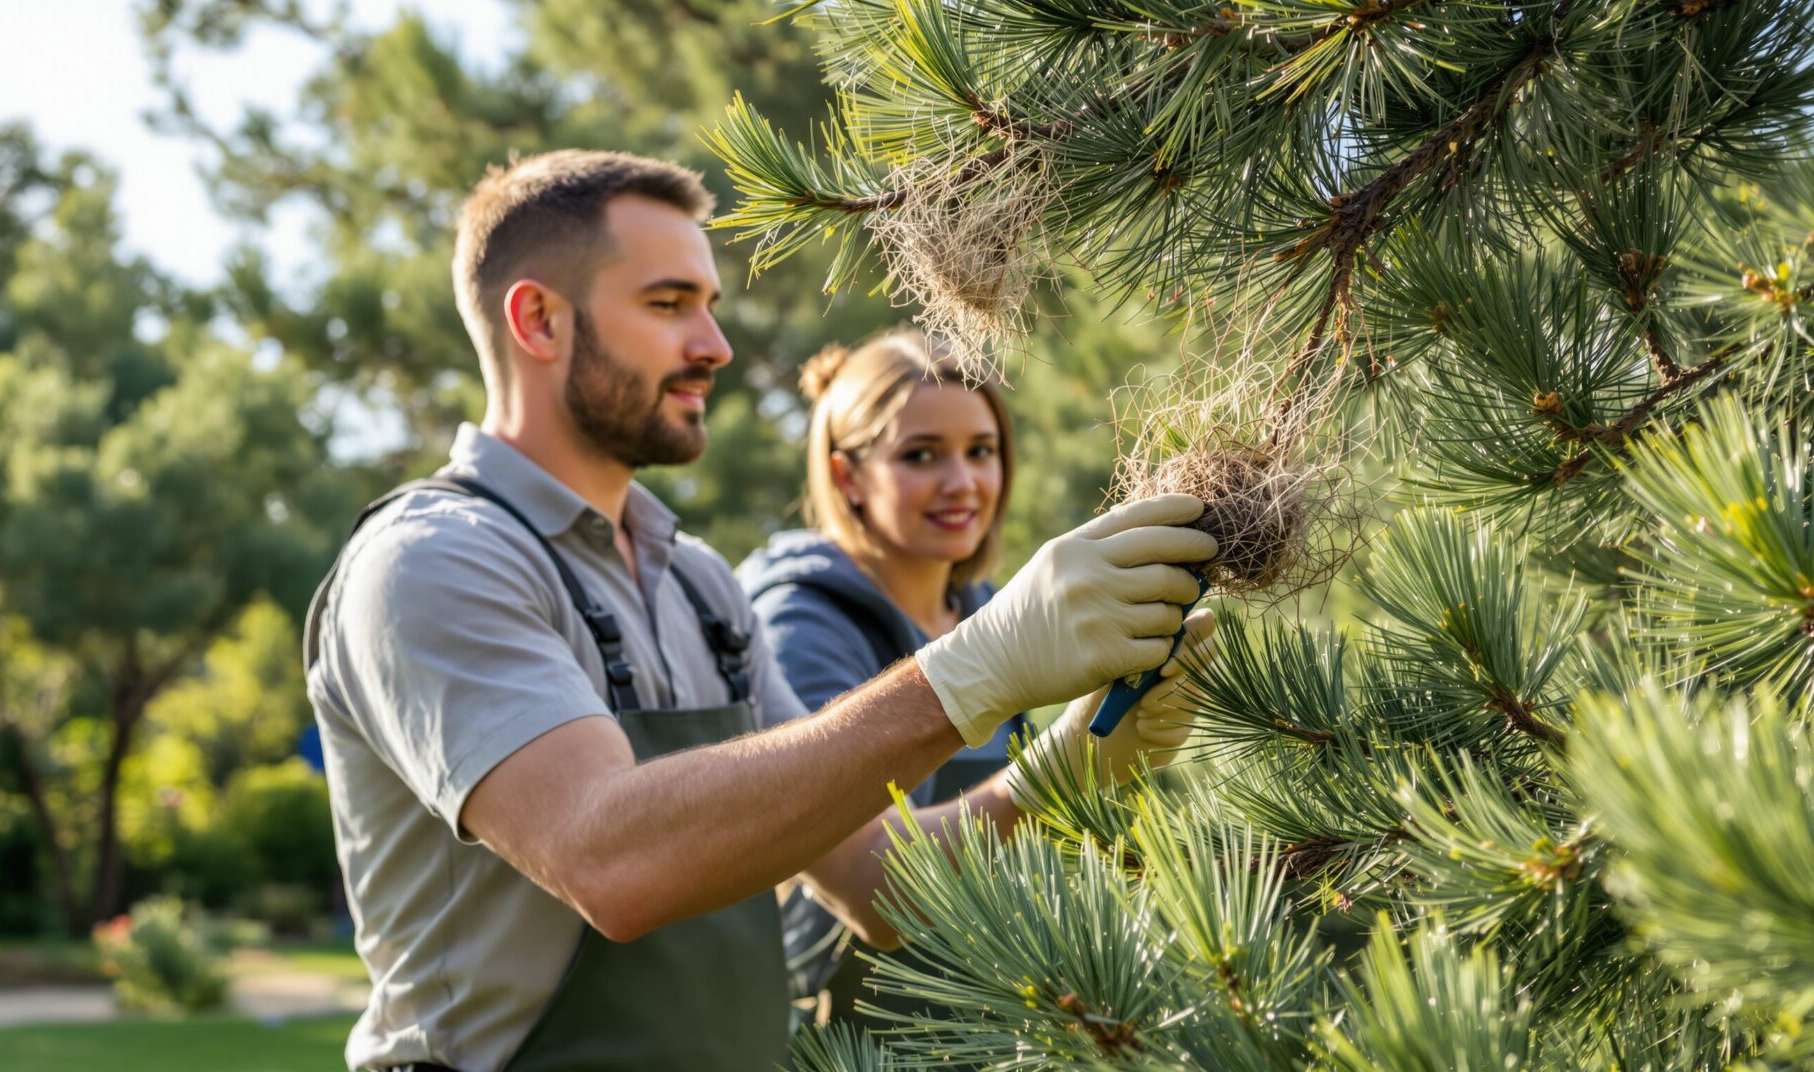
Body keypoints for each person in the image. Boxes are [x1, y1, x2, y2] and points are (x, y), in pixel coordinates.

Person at [302, 149, 1217, 1072]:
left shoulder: (700, 584)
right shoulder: (434, 562)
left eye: (711, 304)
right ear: (538, 318)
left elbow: (875, 886)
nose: (715, 347)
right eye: (668, 305)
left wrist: (1065, 770)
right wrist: (976, 668)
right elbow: (608, 861)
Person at [738, 331, 1028, 1022]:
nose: (962, 483)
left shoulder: (993, 613)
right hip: (850, 1032)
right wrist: (1064, 769)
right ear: (847, 477)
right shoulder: (800, 625)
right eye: (921, 455)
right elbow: (876, 888)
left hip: (1001, 1021)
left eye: (980, 451)